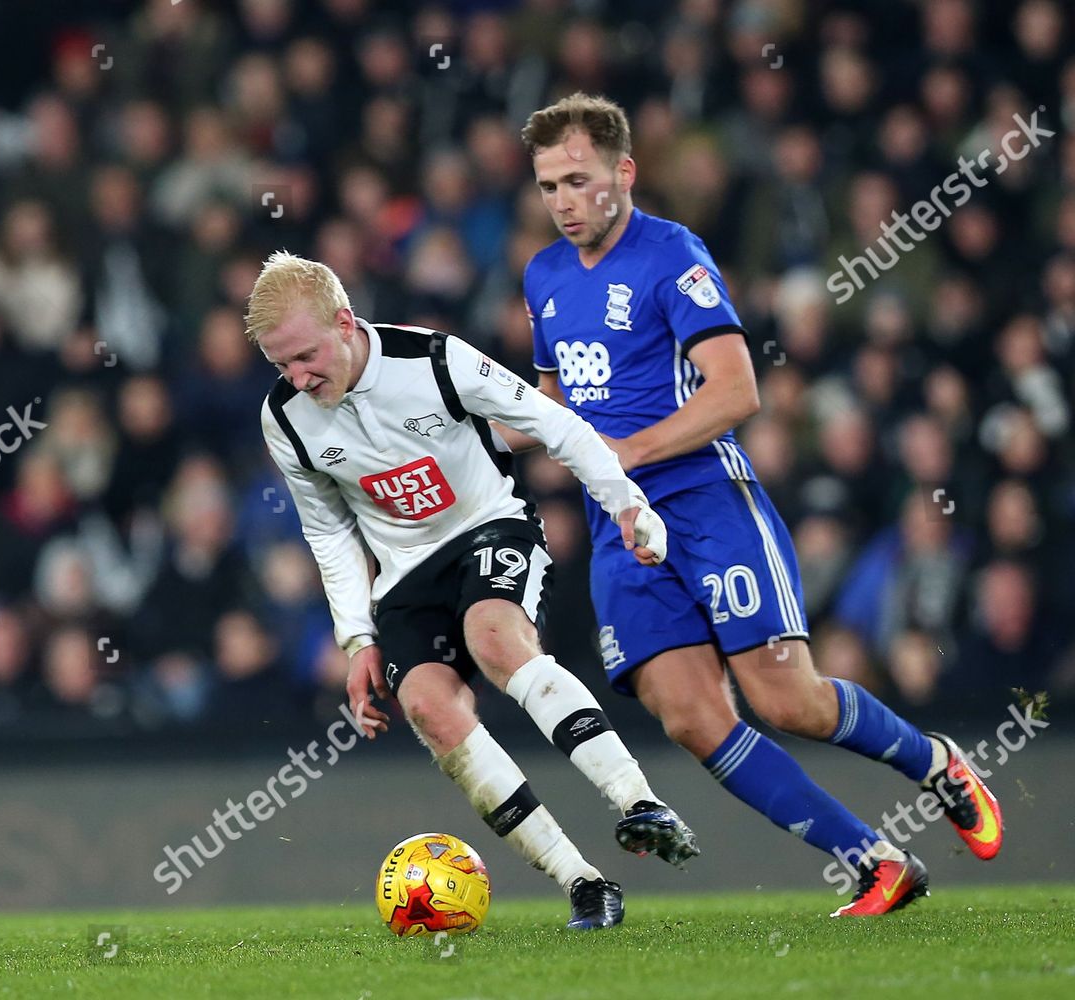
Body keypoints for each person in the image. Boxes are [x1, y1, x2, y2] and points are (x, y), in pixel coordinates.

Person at [509, 94, 1003, 917]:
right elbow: (554, 399)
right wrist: (464, 426)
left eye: (577, 180)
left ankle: (937, 763)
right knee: (693, 719)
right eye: (548, 185)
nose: (562, 201)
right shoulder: (544, 275)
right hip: (618, 529)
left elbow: (737, 391)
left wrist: (623, 453)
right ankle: (873, 862)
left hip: (705, 501)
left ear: (624, 174)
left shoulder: (673, 255)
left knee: (787, 701)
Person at [248, 251, 698, 930]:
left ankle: (638, 800)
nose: (298, 378)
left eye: (306, 356)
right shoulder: (284, 418)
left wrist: (626, 501)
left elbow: (555, 425)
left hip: (490, 527)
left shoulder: (433, 360)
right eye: (280, 366)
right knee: (429, 707)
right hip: (404, 572)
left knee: (494, 638)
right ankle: (583, 883)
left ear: (345, 322)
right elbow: (330, 534)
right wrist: (356, 638)